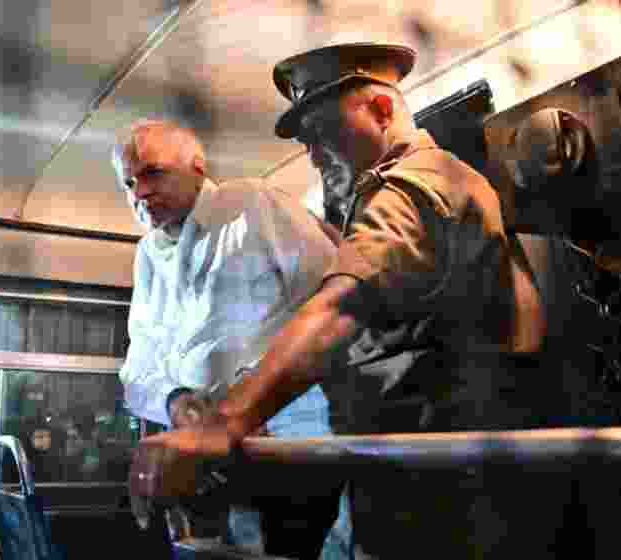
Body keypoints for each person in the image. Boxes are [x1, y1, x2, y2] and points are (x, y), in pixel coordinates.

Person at [129, 42, 610, 559]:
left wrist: (222, 425)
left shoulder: (413, 186)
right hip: (417, 479)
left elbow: (341, 308)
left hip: (436, 498)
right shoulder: (430, 184)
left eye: (318, 134)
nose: (311, 155)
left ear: (380, 110)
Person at [114, 119, 352, 559]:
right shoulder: (147, 254)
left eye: (153, 173)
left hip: (293, 443)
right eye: (129, 182)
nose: (139, 192)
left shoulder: (251, 203)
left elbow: (338, 307)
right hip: (210, 460)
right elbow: (137, 371)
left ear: (198, 167)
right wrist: (177, 401)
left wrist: (257, 397)